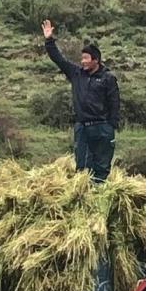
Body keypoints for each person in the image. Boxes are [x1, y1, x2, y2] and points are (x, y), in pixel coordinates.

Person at [41, 19, 120, 182]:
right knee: (83, 167)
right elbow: (59, 60)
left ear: (96, 60)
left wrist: (110, 125)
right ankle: (84, 196)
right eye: (82, 58)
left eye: (86, 58)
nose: (82, 61)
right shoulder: (76, 74)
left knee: (102, 167)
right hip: (83, 127)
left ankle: (100, 196)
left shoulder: (108, 78)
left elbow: (114, 102)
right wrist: (49, 40)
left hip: (102, 127)